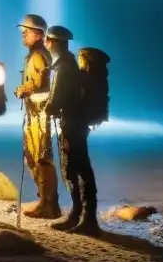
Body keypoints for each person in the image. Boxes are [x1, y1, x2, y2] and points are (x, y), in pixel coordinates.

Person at [44, 24, 99, 234]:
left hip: (71, 124)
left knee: (73, 169)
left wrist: (46, 107)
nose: (46, 43)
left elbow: (56, 99)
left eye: (49, 40)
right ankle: (81, 216)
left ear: (56, 42)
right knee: (81, 168)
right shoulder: (69, 63)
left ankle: (83, 218)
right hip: (77, 123)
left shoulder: (63, 67)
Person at [13, 13, 59, 219]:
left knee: (40, 156)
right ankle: (46, 200)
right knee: (36, 156)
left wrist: (22, 88)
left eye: (26, 32)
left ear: (38, 34)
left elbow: (39, 82)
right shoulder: (40, 53)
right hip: (38, 111)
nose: (23, 35)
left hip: (39, 113)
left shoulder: (39, 55)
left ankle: (47, 204)